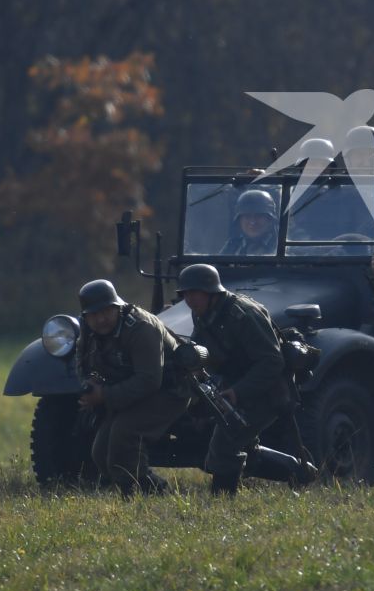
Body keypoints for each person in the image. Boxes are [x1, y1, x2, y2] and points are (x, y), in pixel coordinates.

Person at [178, 264, 316, 493]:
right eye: (185, 294)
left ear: (212, 292)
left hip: (268, 390)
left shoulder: (243, 314)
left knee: (225, 442)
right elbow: (202, 350)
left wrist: (238, 392)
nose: (189, 299)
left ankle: (222, 502)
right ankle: (296, 471)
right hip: (234, 386)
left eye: (195, 293)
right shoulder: (203, 313)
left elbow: (272, 362)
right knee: (245, 448)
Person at [74, 279, 185, 495]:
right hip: (132, 393)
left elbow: (150, 379)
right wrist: (90, 385)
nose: (101, 319)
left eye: (106, 311)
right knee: (100, 453)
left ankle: (141, 493)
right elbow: (82, 366)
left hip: (171, 390)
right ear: (86, 317)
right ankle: (143, 488)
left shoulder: (142, 328)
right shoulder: (87, 333)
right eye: (94, 315)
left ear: (117, 308)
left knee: (124, 435)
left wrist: (104, 395)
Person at [221, 189, 279, 256]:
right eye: (247, 216)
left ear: (270, 220)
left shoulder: (283, 248)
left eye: (259, 216)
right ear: (239, 220)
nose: (252, 222)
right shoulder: (232, 246)